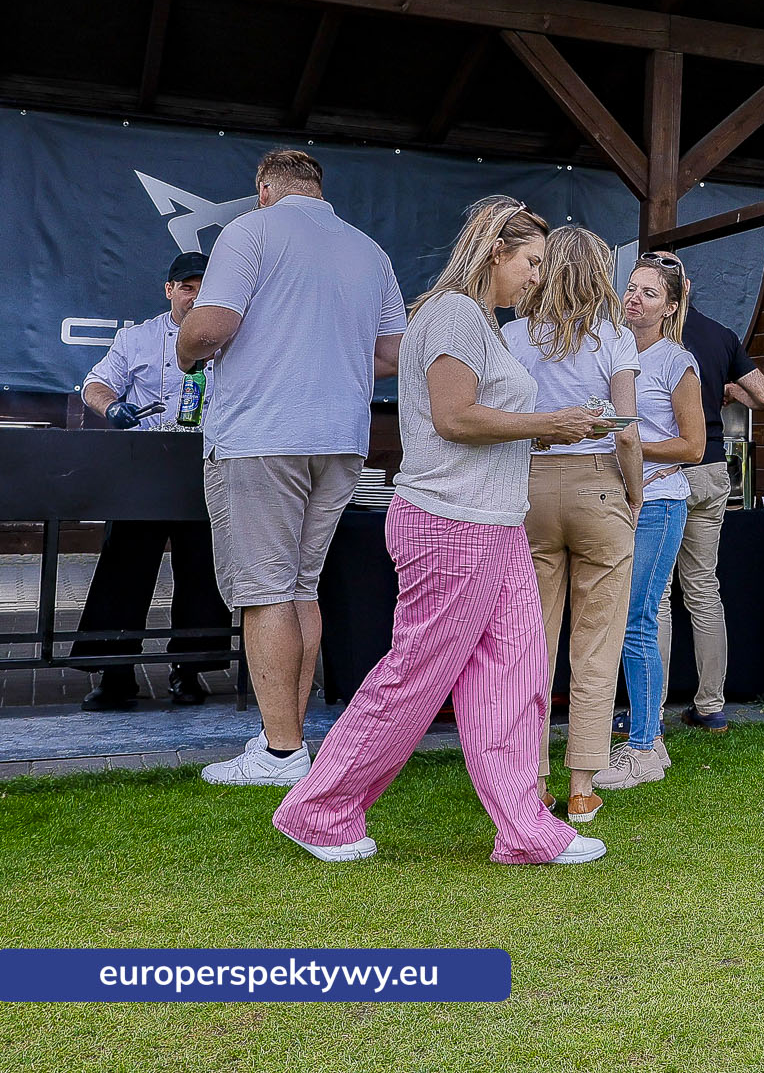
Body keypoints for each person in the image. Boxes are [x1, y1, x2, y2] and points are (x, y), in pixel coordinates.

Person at [271, 197, 607, 865]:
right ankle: (317, 808)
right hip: (451, 524)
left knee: (515, 678)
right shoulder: (455, 312)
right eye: (532, 261)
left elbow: (471, 425)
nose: (537, 276)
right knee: (415, 677)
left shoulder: (478, 320)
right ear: (495, 252)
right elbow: (456, 418)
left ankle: (526, 831)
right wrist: (551, 423)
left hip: (496, 524)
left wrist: (557, 428)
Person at [177, 149, 406, 787]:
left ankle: (280, 753)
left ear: (264, 188)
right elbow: (390, 352)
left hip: (262, 435)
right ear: (317, 189)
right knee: (300, 587)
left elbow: (213, 324)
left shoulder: (250, 230)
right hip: (339, 437)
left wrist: (187, 343)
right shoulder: (368, 248)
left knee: (264, 593)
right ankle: (289, 742)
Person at [506, 227, 644, 823]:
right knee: (598, 643)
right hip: (597, 484)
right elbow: (627, 428)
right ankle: (583, 782)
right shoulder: (614, 338)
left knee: (532, 643)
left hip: (530, 483)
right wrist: (633, 494)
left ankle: (531, 777)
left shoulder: (512, 336)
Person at [73, 251, 232, 710]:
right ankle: (115, 670)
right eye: (187, 286)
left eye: (205, 285)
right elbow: (96, 383)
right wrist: (112, 408)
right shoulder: (135, 338)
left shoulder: (229, 337)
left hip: (206, 462)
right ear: (169, 290)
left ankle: (190, 669)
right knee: (125, 562)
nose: (196, 295)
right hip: (144, 468)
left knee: (203, 565)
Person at [596, 253, 705, 790]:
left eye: (649, 293)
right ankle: (638, 736)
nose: (634, 298)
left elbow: (695, 445)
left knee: (637, 620)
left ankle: (645, 744)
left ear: (669, 307)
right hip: (611, 501)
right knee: (617, 622)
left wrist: (632, 445)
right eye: (631, 288)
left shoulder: (676, 361)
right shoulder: (607, 348)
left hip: (659, 503)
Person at [659, 267, 764, 733]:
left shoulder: (643, 334)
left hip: (665, 470)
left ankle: (651, 705)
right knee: (704, 592)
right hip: (712, 470)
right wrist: (726, 391)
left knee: (658, 596)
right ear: (690, 286)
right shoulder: (721, 335)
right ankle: (711, 705)